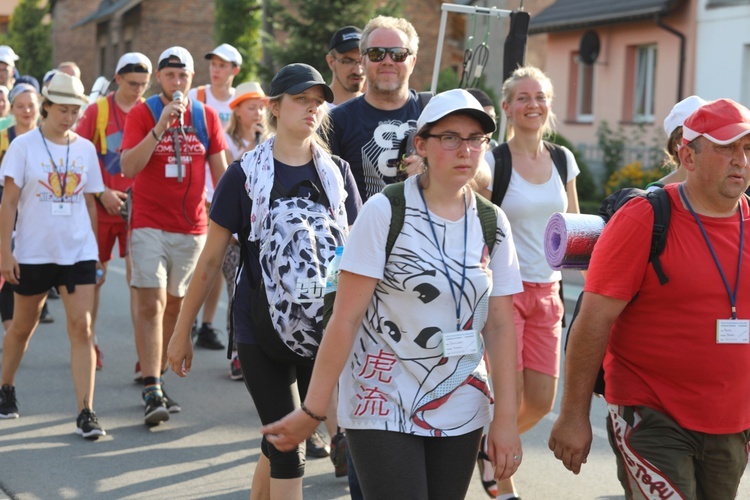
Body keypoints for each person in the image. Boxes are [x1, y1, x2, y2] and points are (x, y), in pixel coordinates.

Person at [261, 88, 523, 499]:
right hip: (380, 397)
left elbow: (502, 327)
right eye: (451, 137)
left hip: (459, 399)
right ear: (421, 144)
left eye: (476, 139)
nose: (465, 150)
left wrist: (505, 418)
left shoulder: (493, 222)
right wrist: (313, 410)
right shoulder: (385, 210)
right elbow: (344, 319)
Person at [168, 62, 361, 500]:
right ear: (274, 106)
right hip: (259, 328)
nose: (311, 109)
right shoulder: (244, 175)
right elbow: (211, 258)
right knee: (288, 446)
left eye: (317, 102)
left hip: (322, 329)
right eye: (300, 100)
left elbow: (356, 259)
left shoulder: (339, 176)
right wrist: (182, 332)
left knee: (279, 435)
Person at [548, 98, 750, 499]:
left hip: (731, 423)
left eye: (747, 149)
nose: (740, 161)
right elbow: (592, 320)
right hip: (651, 414)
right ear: (687, 155)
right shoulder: (645, 217)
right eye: (726, 148)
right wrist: (573, 416)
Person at [480, 65, 581, 500]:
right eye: (523, 97)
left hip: (549, 294)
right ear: (506, 107)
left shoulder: (563, 159)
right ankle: (503, 484)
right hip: (505, 293)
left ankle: (483, 448)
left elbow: (576, 228)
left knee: (541, 399)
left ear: (549, 105)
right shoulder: (492, 161)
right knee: (509, 393)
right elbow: (476, 225)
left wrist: (594, 281)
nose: (532, 104)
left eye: (540, 96)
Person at [120, 46, 227, 426]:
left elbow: (222, 175)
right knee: (151, 304)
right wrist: (159, 127)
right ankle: (151, 386)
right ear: (160, 77)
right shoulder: (142, 113)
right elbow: (128, 165)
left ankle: (159, 380)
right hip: (148, 223)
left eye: (183, 76)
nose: (177, 82)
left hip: (192, 227)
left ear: (191, 78)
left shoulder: (205, 116)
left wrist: (231, 220)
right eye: (170, 75)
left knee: (177, 307)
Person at [0, 73, 106, 440]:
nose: (69, 117)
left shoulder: (85, 149)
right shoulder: (23, 146)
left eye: (75, 110)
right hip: (33, 252)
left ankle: (86, 411)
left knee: (83, 328)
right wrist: (5, 252)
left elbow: (90, 201)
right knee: (21, 328)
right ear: (46, 106)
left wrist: (96, 252)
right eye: (63, 110)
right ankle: (6, 387)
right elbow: (9, 202)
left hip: (77, 252)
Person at [75, 52, 153, 371]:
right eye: (132, 84)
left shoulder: (149, 110)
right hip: (102, 208)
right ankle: (90, 345)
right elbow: (78, 155)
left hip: (139, 209)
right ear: (118, 78)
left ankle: (145, 357)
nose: (138, 91)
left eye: (144, 85)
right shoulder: (98, 110)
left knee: (140, 281)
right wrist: (100, 192)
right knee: (96, 278)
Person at [328, 15, 423, 202]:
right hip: (362, 230)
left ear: (412, 61)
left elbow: (480, 176)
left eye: (398, 54)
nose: (387, 61)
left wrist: (433, 169)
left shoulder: (434, 113)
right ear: (363, 61)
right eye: (376, 53)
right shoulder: (335, 122)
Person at [187, 42, 242, 351]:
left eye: (223, 65)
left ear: (235, 70)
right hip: (199, 190)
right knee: (198, 258)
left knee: (220, 258)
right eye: (213, 63)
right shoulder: (198, 97)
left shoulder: (240, 101)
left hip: (226, 188)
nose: (216, 69)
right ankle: (189, 318)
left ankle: (207, 324)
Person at [221, 80, 266, 380]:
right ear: (236, 111)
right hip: (232, 237)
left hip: (260, 236)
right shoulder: (225, 144)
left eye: (262, 107)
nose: (258, 113)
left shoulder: (272, 142)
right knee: (237, 293)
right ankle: (237, 353)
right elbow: (227, 183)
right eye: (252, 107)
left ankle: (262, 350)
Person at [647, 95, 707, 191]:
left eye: (709, 132)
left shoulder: (720, 190)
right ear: (675, 144)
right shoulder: (656, 196)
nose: (704, 138)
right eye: (692, 133)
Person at [325, 26, 365, 107]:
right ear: (331, 62)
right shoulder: (316, 112)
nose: (358, 71)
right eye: (348, 61)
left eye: (363, 61)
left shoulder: (378, 110)